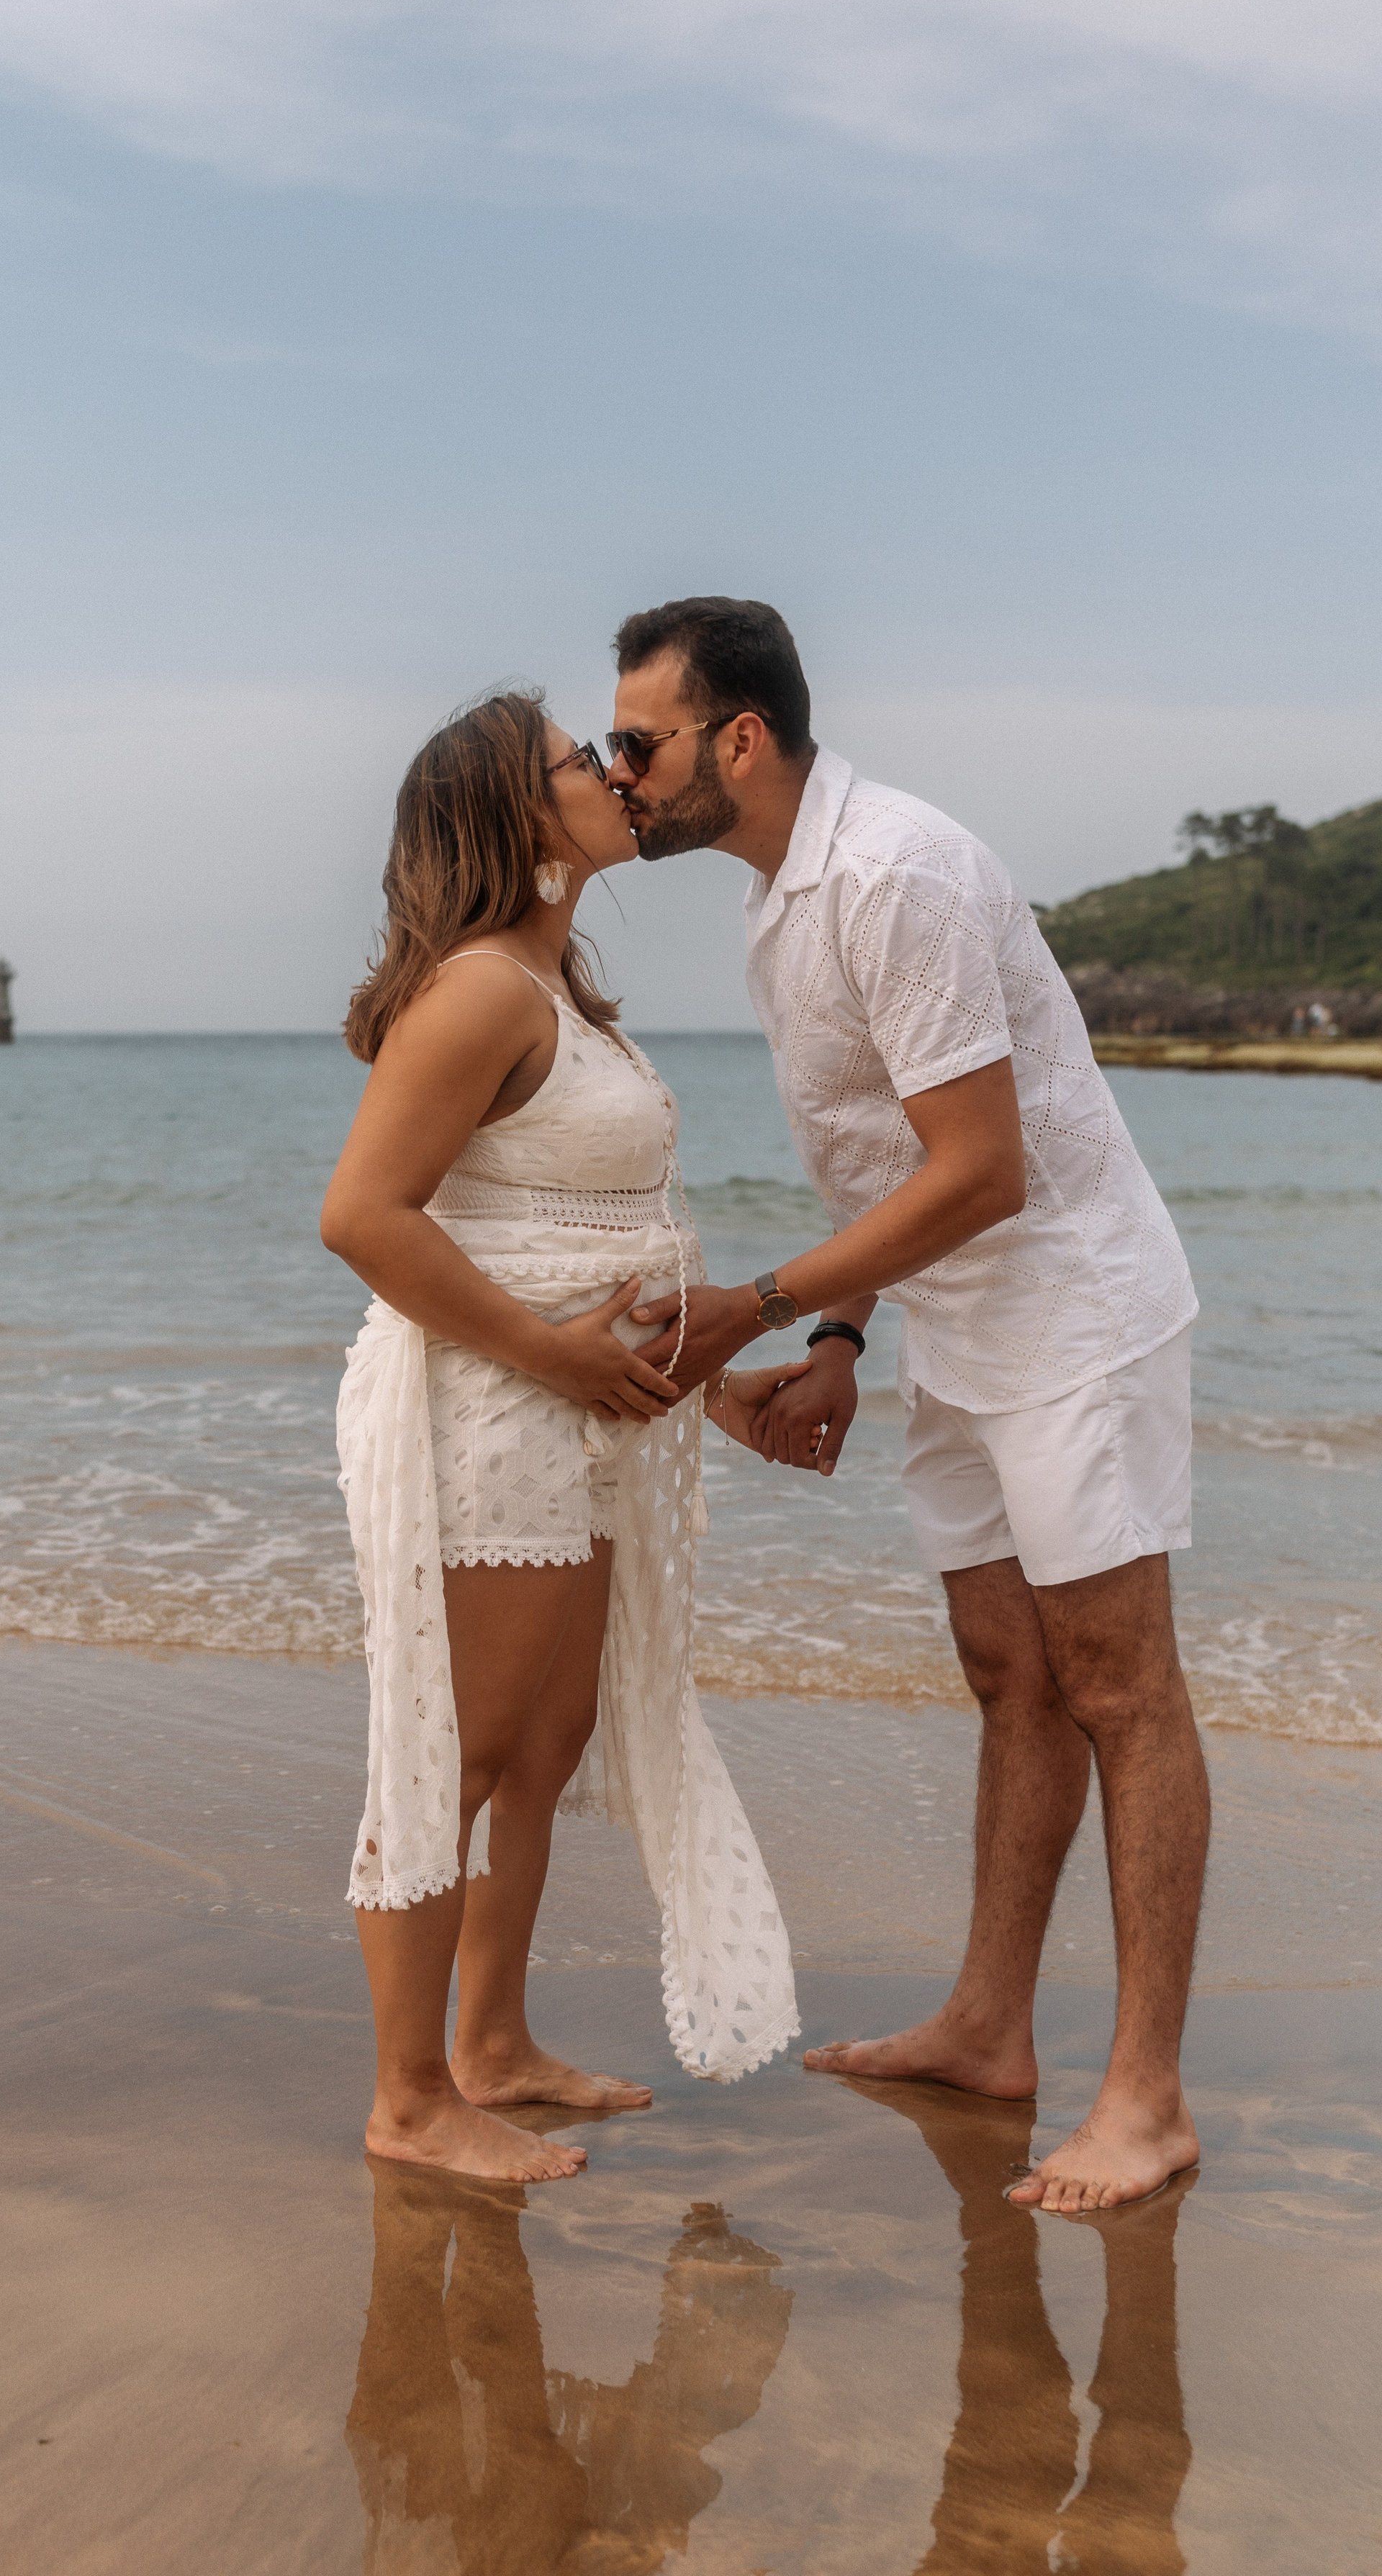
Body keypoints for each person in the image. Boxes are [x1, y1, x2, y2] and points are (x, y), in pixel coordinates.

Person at [605, 597, 1207, 2214]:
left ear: (736, 739)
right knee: (1008, 1670)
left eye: (636, 742)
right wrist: (844, 1344)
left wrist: (762, 1303)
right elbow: (894, 1157)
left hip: (1070, 1312)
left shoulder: (893, 872)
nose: (619, 775)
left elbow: (988, 1169)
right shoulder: (779, 904)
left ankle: (1143, 2094)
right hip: (952, 1324)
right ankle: (986, 2027)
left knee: (1116, 1681)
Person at [321, 689, 800, 2185]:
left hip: (577, 1404)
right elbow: (360, 1217)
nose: (608, 772)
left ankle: (492, 2045)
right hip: (487, 1406)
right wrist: (549, 1355)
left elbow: (605, 1234)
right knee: (454, 1752)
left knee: (546, 1742)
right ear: (508, 816)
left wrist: (697, 1377)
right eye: (573, 762)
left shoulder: (553, 981)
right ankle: (408, 2100)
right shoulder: (477, 989)